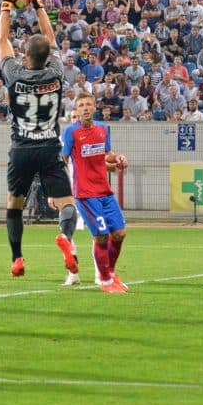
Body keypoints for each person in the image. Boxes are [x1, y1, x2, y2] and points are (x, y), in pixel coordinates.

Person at [0, 0, 79, 278]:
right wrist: (38, 3)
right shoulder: (56, 72)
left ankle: (17, 258)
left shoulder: (15, 75)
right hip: (49, 147)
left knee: (14, 205)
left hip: (21, 148)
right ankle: (66, 238)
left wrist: (7, 4)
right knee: (67, 203)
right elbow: (51, 39)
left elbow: (1, 40)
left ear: (26, 55)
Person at [62, 93, 129, 293]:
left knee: (119, 233)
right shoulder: (71, 132)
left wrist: (118, 158)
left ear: (94, 107)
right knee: (101, 236)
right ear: (77, 109)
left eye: (88, 104)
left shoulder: (102, 128)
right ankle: (106, 281)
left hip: (105, 191)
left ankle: (110, 273)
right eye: (81, 105)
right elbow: (63, 159)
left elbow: (106, 154)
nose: (85, 108)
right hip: (85, 194)